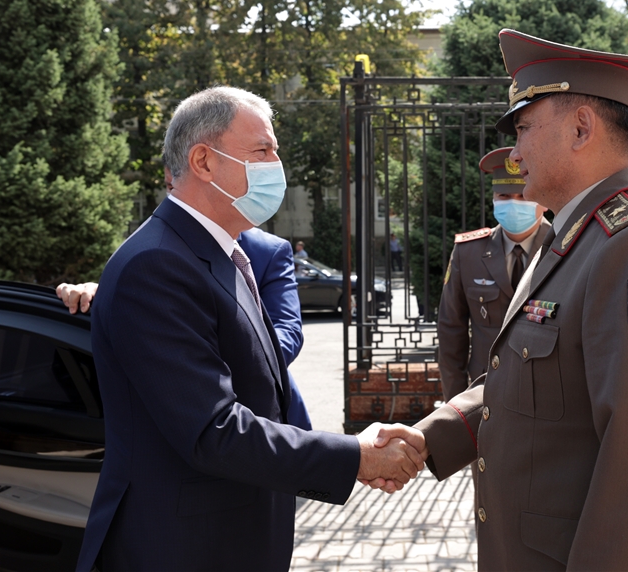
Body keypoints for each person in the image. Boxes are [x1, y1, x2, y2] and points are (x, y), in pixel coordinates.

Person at [376, 29, 628, 570]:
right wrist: (429, 437)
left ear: (581, 128)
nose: (514, 154)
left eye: (522, 128)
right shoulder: (572, 238)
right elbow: (524, 379)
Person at [75, 86, 425, 572]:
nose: (276, 164)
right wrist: (355, 457)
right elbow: (213, 429)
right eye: (262, 151)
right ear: (203, 160)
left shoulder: (219, 254)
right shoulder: (157, 264)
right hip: (179, 547)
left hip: (231, 536)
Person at [58, 192, 313, 430]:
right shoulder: (152, 249)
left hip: (273, 416)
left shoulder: (268, 251)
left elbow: (287, 330)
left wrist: (223, 363)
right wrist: (102, 293)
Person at [437, 148, 550, 400]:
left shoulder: (565, 247)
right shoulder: (468, 253)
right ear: (493, 199)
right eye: (504, 195)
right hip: (483, 392)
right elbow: (450, 330)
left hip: (547, 393)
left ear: (543, 200)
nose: (513, 203)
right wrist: (455, 406)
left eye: (522, 196)